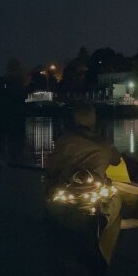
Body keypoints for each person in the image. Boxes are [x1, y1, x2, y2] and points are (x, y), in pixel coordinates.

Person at [45, 104, 122, 267]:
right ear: (92, 119)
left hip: (68, 193)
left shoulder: (63, 141)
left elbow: (51, 168)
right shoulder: (104, 143)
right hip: (96, 194)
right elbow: (116, 160)